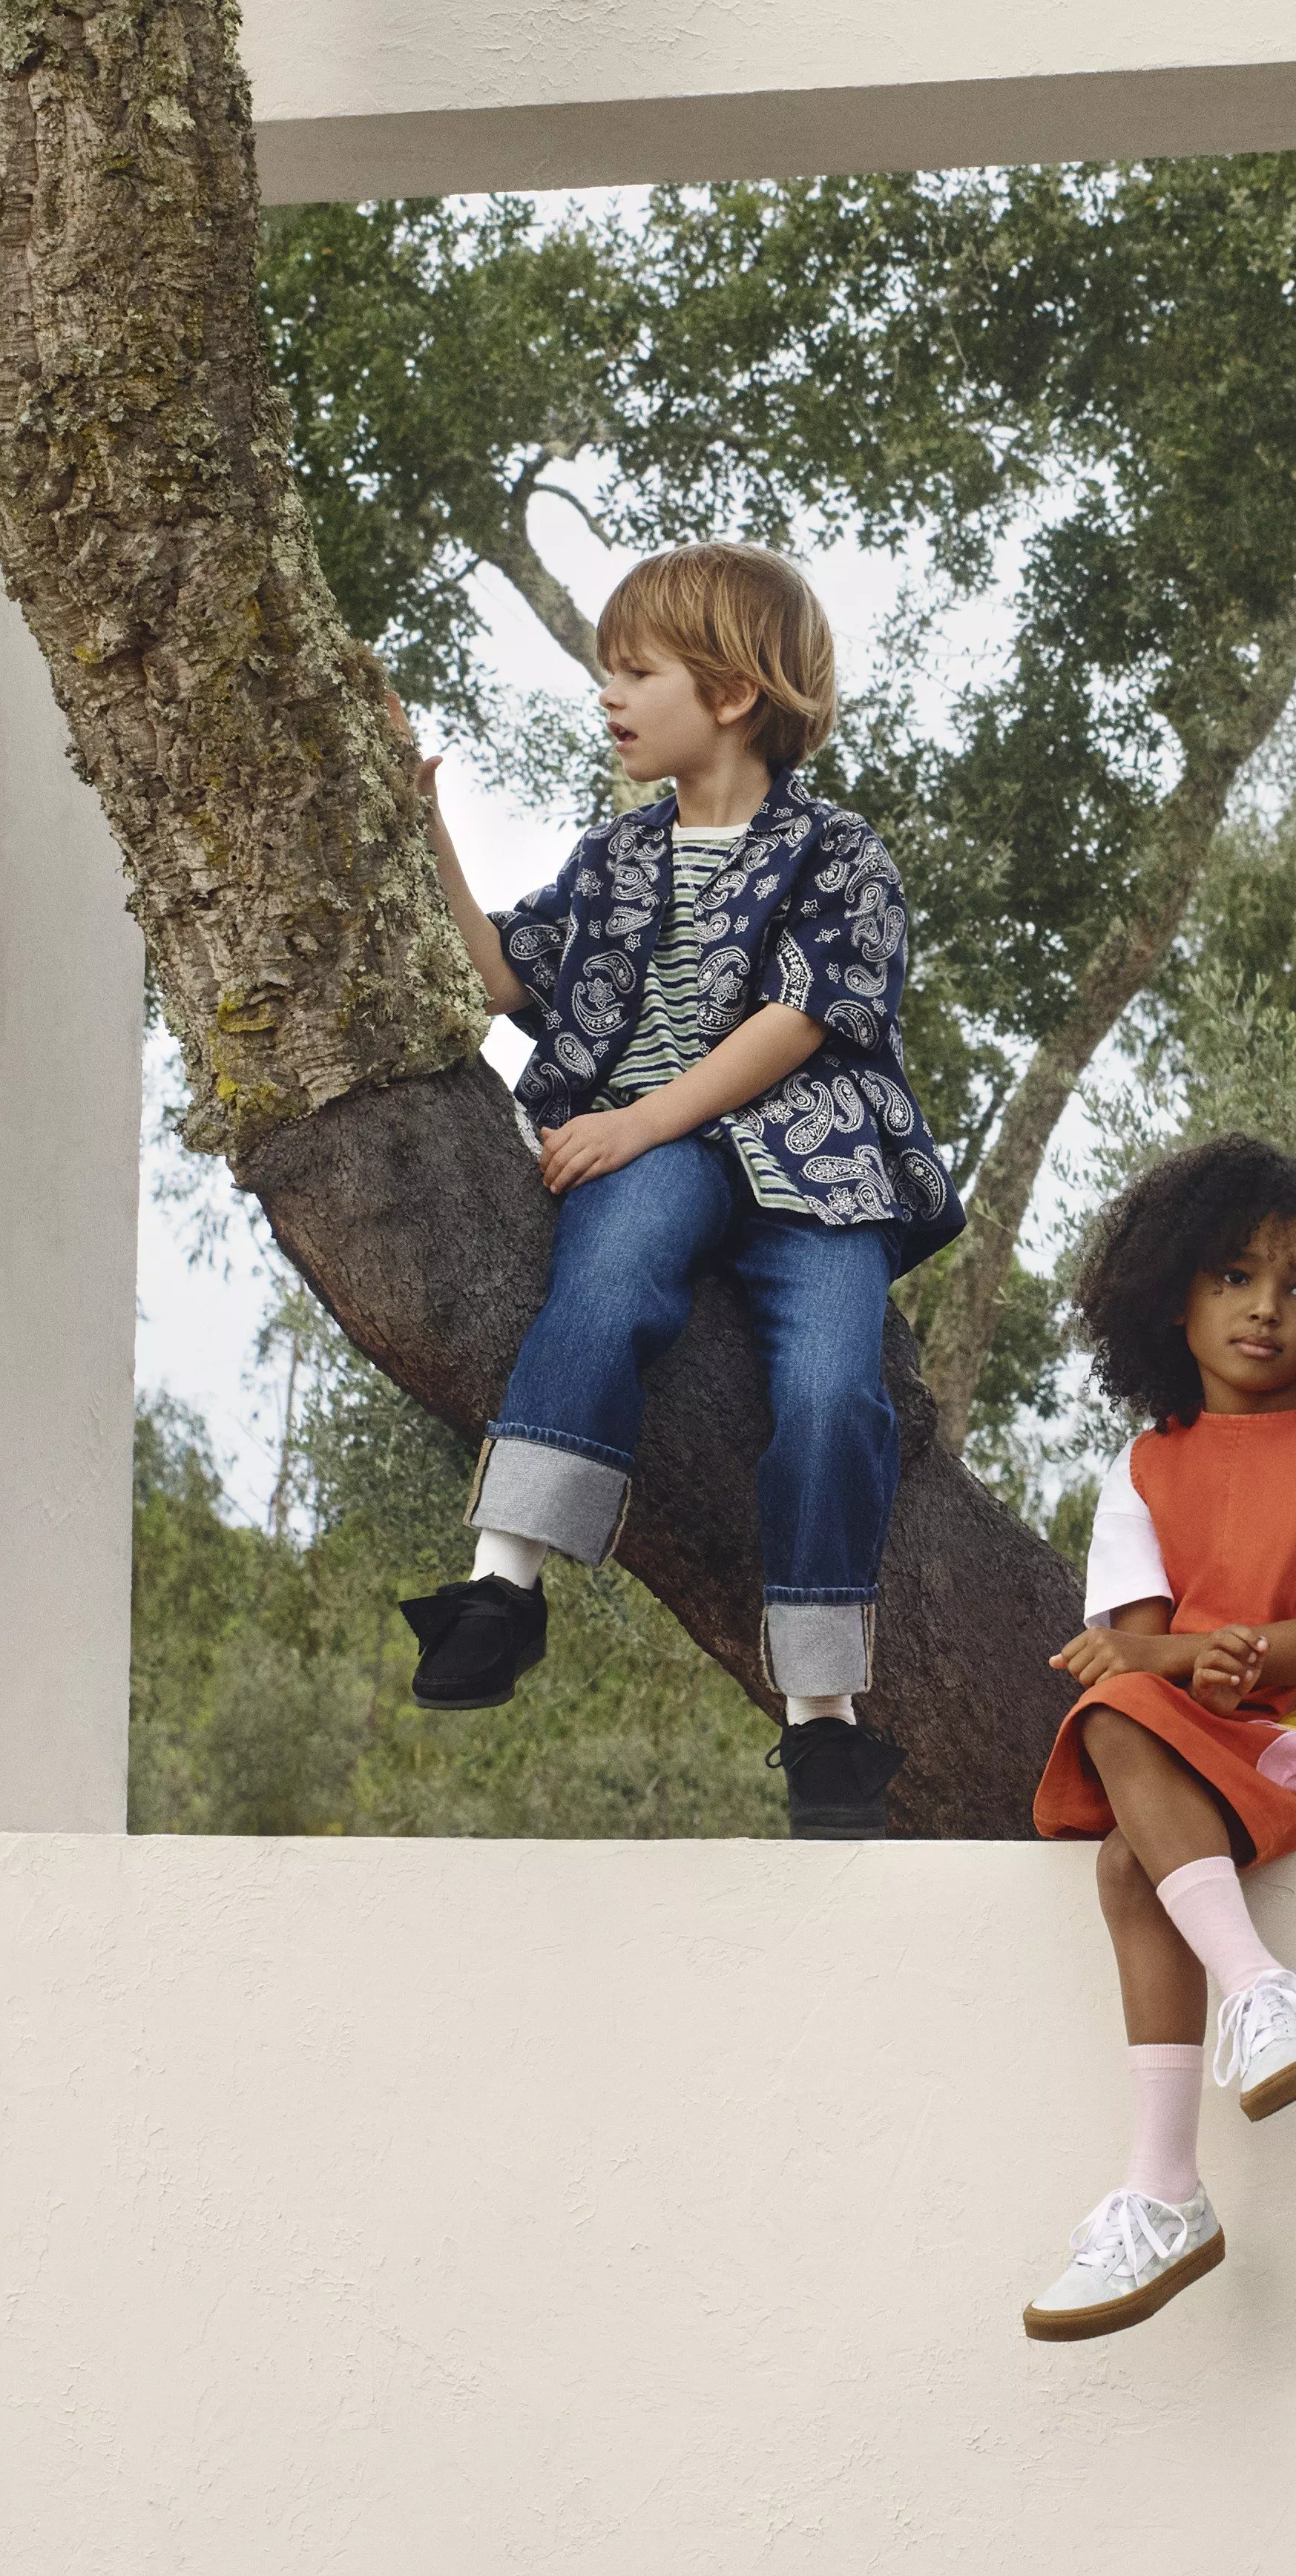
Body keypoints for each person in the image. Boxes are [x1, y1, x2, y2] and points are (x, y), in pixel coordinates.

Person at [397, 541, 963, 1839]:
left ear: (731, 692)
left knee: (832, 1390)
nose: (609, 694)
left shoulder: (840, 852)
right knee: (606, 1276)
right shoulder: (613, 857)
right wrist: (423, 822)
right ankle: (503, 1582)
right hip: (652, 1159)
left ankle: (824, 1717)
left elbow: (799, 1020)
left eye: (635, 671)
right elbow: (502, 975)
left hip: (817, 1165)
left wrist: (636, 1119)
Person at [1018, 1139, 1296, 2340]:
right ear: (1174, 1296)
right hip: (1191, 1745)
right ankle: (1181, 2158)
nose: (1266, 1308)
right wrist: (1184, 1663)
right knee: (1124, 1840)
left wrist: (1200, 1659)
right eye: (1235, 1277)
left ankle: (1242, 2029)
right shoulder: (1145, 1464)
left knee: (1123, 1785)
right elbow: (1141, 1653)